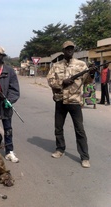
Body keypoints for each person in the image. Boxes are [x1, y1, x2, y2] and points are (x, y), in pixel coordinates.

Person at [46, 40, 96, 168]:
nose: (69, 50)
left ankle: (85, 157)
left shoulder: (81, 65)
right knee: (58, 127)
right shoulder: (56, 66)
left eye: (71, 48)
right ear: (63, 51)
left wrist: (91, 73)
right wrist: (62, 82)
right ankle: (60, 149)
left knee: (79, 130)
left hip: (74, 101)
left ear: (73, 50)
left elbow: (87, 82)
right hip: (60, 100)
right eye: (67, 49)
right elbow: (50, 80)